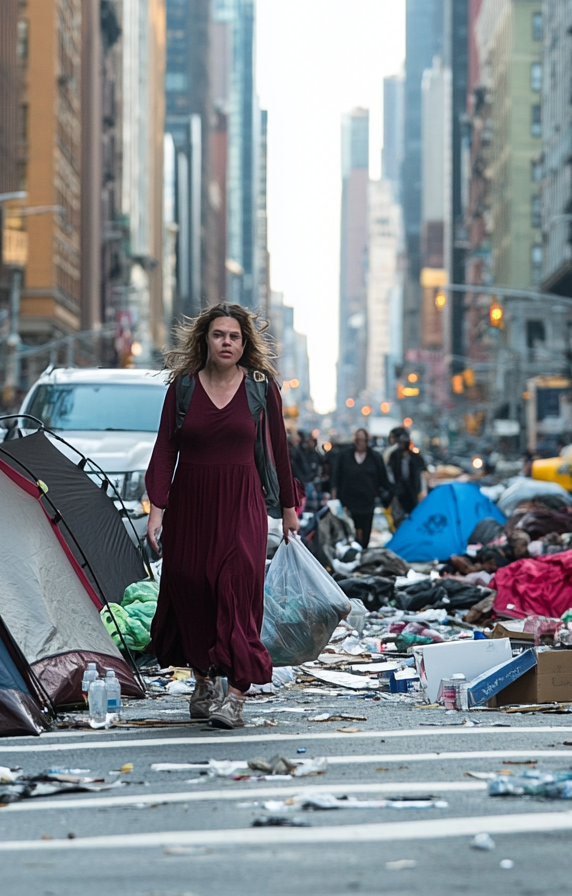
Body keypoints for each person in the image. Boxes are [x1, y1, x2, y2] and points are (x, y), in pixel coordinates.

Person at [145, 302, 298, 730]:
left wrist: (289, 509)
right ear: (205, 341)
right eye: (218, 335)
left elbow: (279, 451)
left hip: (241, 501)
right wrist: (157, 510)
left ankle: (235, 695)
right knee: (191, 587)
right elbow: (164, 449)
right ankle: (203, 680)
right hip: (190, 501)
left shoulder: (260, 387)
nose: (226, 342)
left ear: (244, 342)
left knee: (235, 587)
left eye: (233, 336)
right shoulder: (184, 388)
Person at [330, 428, 389, 548]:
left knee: (366, 531)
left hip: (367, 501)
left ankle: (363, 552)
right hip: (348, 501)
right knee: (350, 531)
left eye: (363, 440)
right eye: (358, 440)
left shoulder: (375, 457)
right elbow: (336, 476)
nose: (360, 443)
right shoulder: (345, 456)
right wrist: (334, 495)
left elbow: (383, 479)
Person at [386, 426, 426, 527]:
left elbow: (421, 474)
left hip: (412, 493)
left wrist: (421, 491)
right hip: (398, 494)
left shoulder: (415, 457)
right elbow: (389, 473)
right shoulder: (393, 456)